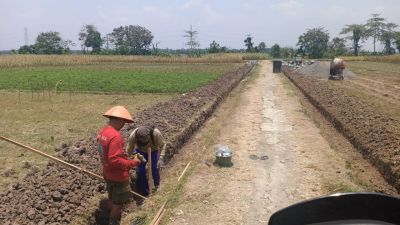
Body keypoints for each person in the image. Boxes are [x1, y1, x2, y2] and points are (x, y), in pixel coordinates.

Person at [97, 106, 144, 225]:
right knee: (119, 204)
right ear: (120, 120)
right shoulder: (116, 136)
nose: (123, 125)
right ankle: (113, 222)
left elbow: (106, 154)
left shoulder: (103, 131)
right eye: (124, 122)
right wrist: (133, 163)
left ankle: (107, 212)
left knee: (112, 197)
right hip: (118, 176)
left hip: (107, 172)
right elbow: (114, 159)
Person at [126, 126, 166, 199]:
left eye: (147, 142)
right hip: (140, 151)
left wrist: (161, 158)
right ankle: (145, 192)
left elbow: (163, 145)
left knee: (154, 167)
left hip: (154, 150)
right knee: (140, 171)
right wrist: (126, 162)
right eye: (143, 143)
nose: (146, 144)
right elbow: (129, 149)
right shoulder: (133, 136)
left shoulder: (156, 134)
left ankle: (157, 185)